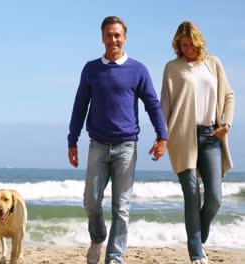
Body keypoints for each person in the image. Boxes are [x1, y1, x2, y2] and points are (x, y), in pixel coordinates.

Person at [67, 16, 168, 264]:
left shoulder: (138, 69)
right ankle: (98, 237)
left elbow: (152, 105)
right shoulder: (91, 69)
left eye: (117, 35)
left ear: (124, 37)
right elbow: (80, 105)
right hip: (97, 145)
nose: (113, 39)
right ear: (102, 37)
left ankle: (114, 257)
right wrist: (72, 140)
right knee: (91, 201)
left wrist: (162, 135)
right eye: (108, 35)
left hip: (126, 146)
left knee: (121, 208)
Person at [160, 21, 235, 264]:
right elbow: (165, 105)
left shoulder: (213, 63)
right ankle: (195, 253)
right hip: (182, 136)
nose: (188, 48)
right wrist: (162, 136)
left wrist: (227, 124)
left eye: (191, 43)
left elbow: (228, 95)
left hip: (212, 135)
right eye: (183, 44)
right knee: (191, 195)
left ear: (198, 41)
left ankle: (197, 237)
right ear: (178, 45)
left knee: (214, 197)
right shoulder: (172, 68)